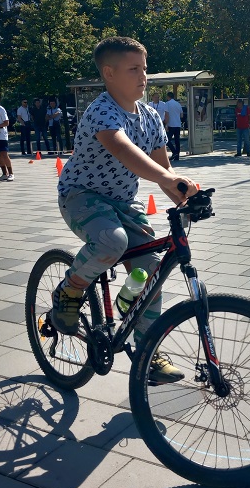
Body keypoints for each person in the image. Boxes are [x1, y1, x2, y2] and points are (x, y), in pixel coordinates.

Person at [54, 36, 196, 383]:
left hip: (123, 201)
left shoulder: (150, 116)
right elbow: (123, 149)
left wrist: (185, 196)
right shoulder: (102, 110)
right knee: (111, 242)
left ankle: (145, 345)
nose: (143, 76)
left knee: (149, 272)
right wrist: (168, 177)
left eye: (144, 69)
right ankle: (70, 290)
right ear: (109, 73)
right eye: (134, 69)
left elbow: (164, 169)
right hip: (81, 194)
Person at [163, 91, 184, 162]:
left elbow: (167, 115)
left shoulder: (167, 104)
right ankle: (177, 156)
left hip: (171, 124)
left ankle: (174, 152)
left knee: (167, 140)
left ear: (168, 97)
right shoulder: (178, 104)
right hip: (178, 124)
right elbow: (181, 115)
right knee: (177, 141)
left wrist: (166, 124)